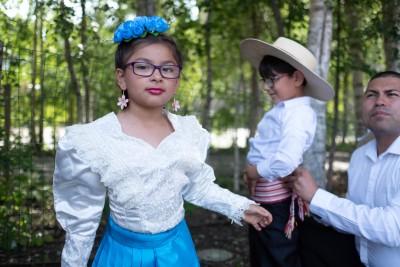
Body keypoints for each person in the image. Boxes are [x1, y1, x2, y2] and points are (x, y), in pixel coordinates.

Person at [52, 16, 272, 267]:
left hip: (178, 251)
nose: (157, 77)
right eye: (143, 67)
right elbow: (82, 220)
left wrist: (240, 206)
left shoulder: (189, 132)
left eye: (167, 69)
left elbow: (196, 186)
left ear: (176, 80)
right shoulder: (93, 140)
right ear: (121, 78)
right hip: (126, 256)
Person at [282, 71, 400, 267]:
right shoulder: (360, 156)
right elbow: (354, 211)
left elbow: (393, 230)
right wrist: (309, 201)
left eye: (392, 94)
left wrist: (318, 197)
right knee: (302, 230)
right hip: (356, 258)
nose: (380, 101)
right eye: (371, 95)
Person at [239, 37, 334, 267]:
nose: (266, 87)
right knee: (265, 254)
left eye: (272, 80)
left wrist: (253, 173)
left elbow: (285, 161)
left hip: (275, 201)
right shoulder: (285, 109)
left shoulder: (298, 113)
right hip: (266, 196)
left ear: (297, 77)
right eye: (264, 80)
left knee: (277, 255)